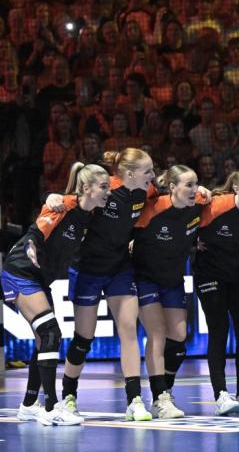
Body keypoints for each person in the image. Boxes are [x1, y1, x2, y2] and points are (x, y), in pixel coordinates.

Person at [48, 148, 156, 421]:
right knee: (84, 338)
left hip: (120, 268)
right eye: (148, 171)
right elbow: (73, 200)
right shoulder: (108, 189)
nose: (153, 175)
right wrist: (52, 198)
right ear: (129, 173)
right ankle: (69, 396)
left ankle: (135, 401)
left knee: (129, 330)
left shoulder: (145, 190)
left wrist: (203, 193)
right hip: (88, 269)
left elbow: (170, 190)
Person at [9, 163, 109, 425]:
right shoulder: (63, 207)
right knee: (50, 334)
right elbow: (36, 232)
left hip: (41, 280)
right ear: (86, 188)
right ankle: (51, 408)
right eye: (103, 187)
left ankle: (29, 405)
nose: (108, 192)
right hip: (20, 271)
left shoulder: (91, 215)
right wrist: (32, 246)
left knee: (45, 340)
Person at [133, 164, 209, 419]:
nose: (195, 189)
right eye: (189, 185)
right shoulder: (152, 209)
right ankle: (160, 399)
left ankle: (164, 390)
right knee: (157, 334)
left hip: (173, 280)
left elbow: (225, 201)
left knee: (178, 339)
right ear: (173, 187)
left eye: (196, 184)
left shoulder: (198, 204)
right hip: (145, 279)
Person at [195, 166, 239, 415]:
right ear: (236, 188)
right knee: (219, 329)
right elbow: (183, 219)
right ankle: (221, 395)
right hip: (210, 274)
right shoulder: (217, 206)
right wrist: (193, 240)